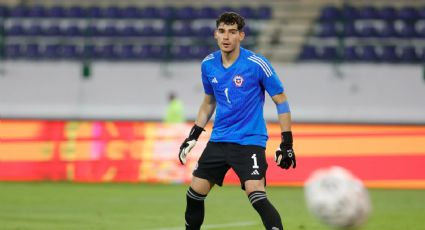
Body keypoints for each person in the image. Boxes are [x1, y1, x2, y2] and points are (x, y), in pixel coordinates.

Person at [178, 12, 296, 230]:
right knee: (194, 194)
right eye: (222, 31)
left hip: (250, 141)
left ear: (241, 36)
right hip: (219, 140)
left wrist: (287, 143)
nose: (226, 37)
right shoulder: (208, 64)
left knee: (256, 193)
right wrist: (193, 135)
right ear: (215, 34)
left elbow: (281, 101)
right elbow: (209, 102)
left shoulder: (257, 64)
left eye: (232, 32)